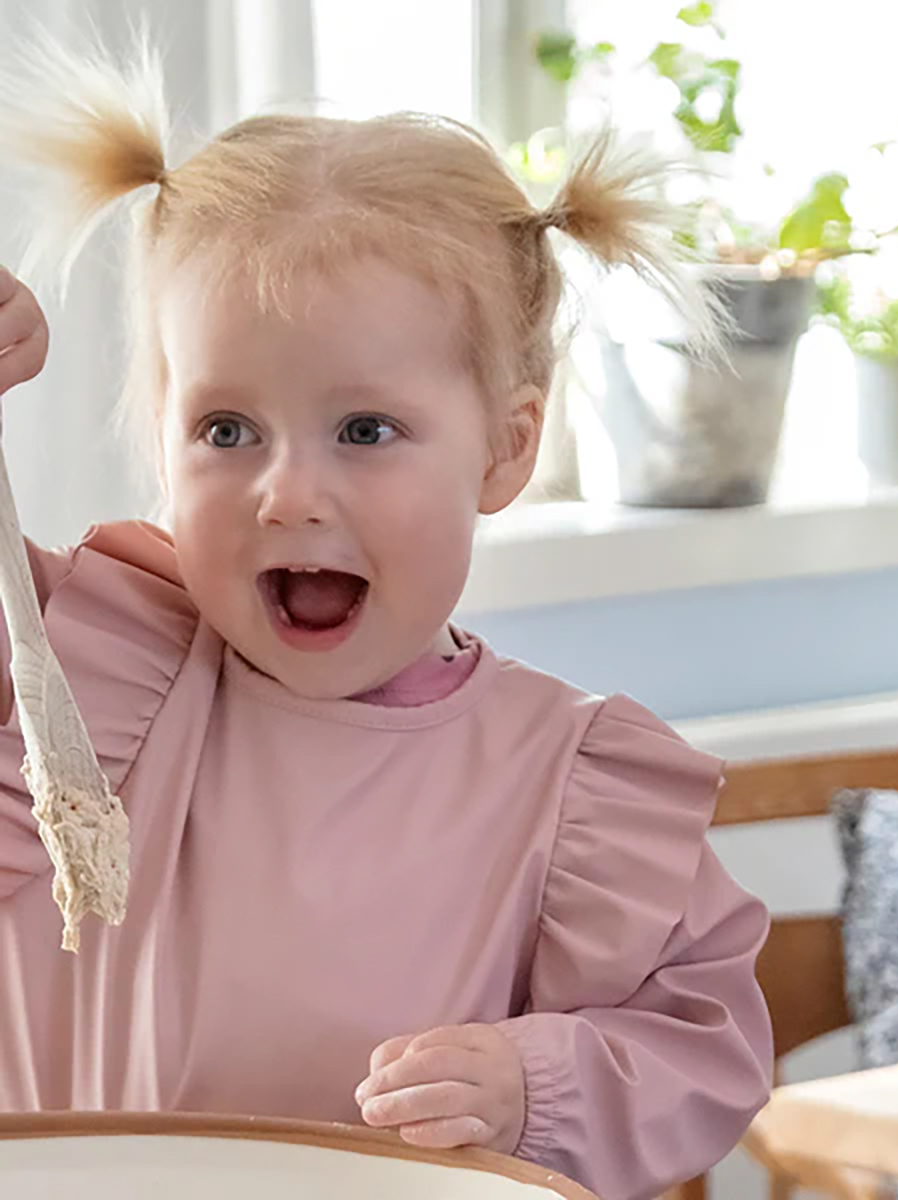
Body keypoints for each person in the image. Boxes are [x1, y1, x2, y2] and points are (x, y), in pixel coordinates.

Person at [0, 37, 773, 1200]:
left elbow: (702, 1052)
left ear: (506, 448)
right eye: (225, 430)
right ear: (161, 435)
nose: (287, 495)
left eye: (365, 430)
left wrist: (531, 1085)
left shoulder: (572, 791)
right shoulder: (78, 674)